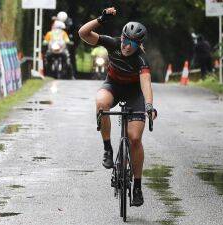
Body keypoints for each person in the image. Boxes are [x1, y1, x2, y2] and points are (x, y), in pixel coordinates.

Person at [78, 7, 157, 207]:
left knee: (135, 138)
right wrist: (100, 19)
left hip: (134, 94)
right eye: (124, 40)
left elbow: (146, 84)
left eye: (132, 43)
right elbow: (83, 34)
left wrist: (149, 105)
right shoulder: (112, 43)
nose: (126, 46)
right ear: (121, 37)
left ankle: (137, 186)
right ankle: (107, 149)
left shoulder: (140, 59)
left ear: (138, 44)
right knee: (101, 103)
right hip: (113, 86)